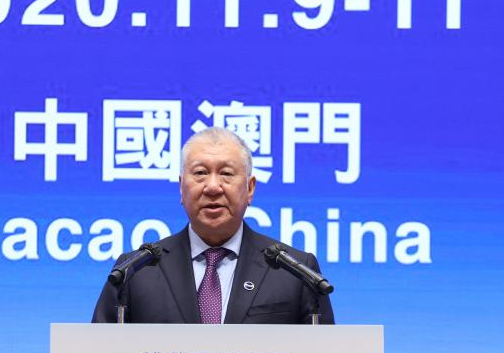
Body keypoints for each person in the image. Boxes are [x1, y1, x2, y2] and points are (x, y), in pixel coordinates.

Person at [92, 127, 335, 324]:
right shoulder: (135, 271)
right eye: (200, 173)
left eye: (226, 174)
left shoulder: (295, 272)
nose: (212, 187)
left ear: (250, 188)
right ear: (181, 187)